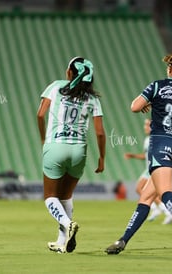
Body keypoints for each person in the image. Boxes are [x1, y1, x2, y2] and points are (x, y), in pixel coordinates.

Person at [105, 50, 172, 254]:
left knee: (164, 192)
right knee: (145, 198)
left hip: (160, 143)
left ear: (171, 69)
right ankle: (122, 241)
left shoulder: (158, 85)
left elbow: (134, 107)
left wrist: (148, 103)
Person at [37, 57, 106, 254]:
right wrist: (102, 158)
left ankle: (68, 224)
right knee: (66, 196)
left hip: (56, 146)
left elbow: (40, 114)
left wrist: (43, 139)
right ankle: (62, 241)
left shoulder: (56, 87)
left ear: (69, 73)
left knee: (50, 197)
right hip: (79, 150)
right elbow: (100, 132)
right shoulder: (92, 98)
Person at [124, 118, 172, 224]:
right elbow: (145, 156)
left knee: (147, 191)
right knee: (140, 189)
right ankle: (158, 209)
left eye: (147, 125)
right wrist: (132, 155)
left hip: (154, 168)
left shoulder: (156, 139)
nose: (145, 127)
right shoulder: (147, 140)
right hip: (148, 168)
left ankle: (166, 211)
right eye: (145, 125)